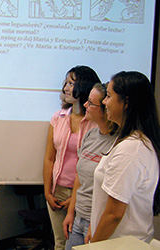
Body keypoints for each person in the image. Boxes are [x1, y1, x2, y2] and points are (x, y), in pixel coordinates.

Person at [86, 71, 160, 244]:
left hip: (120, 243)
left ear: (126, 103)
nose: (104, 102)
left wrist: (93, 245)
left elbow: (114, 214)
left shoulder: (131, 149)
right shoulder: (127, 140)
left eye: (109, 96)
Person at [43, 65, 100, 250]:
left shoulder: (94, 123)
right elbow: (49, 158)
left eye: (71, 83)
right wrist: (47, 192)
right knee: (60, 242)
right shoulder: (57, 118)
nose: (66, 88)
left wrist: (74, 200)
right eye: (65, 83)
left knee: (80, 245)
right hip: (57, 191)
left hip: (84, 194)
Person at [62, 83, 118, 250]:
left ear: (105, 109)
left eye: (91, 103)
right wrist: (71, 213)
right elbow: (79, 177)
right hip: (79, 217)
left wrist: (96, 227)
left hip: (97, 221)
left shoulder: (119, 143)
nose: (85, 105)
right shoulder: (91, 135)